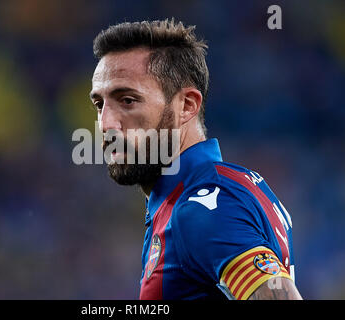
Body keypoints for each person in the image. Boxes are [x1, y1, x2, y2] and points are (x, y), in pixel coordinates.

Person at [89, 19, 302, 300]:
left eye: (127, 100)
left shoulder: (203, 205)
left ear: (187, 105)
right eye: (99, 104)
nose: (105, 123)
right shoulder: (192, 195)